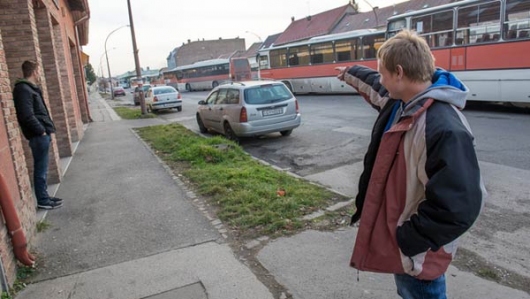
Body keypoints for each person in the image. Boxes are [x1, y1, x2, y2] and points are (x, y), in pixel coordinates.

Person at [336, 30, 486, 298]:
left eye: (383, 72)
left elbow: (460, 206)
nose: (381, 79)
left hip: (419, 254)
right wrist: (349, 72)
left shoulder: (442, 128)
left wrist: (407, 239)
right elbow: (376, 86)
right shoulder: (403, 102)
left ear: (400, 73)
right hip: (410, 247)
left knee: (420, 293)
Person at [13, 60, 63, 210]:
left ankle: (45, 196)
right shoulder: (23, 89)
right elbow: (26, 115)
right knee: (40, 169)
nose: (39, 74)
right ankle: (42, 200)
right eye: (38, 71)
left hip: (41, 134)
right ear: (34, 72)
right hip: (38, 136)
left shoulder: (31, 89)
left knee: (43, 168)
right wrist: (41, 131)